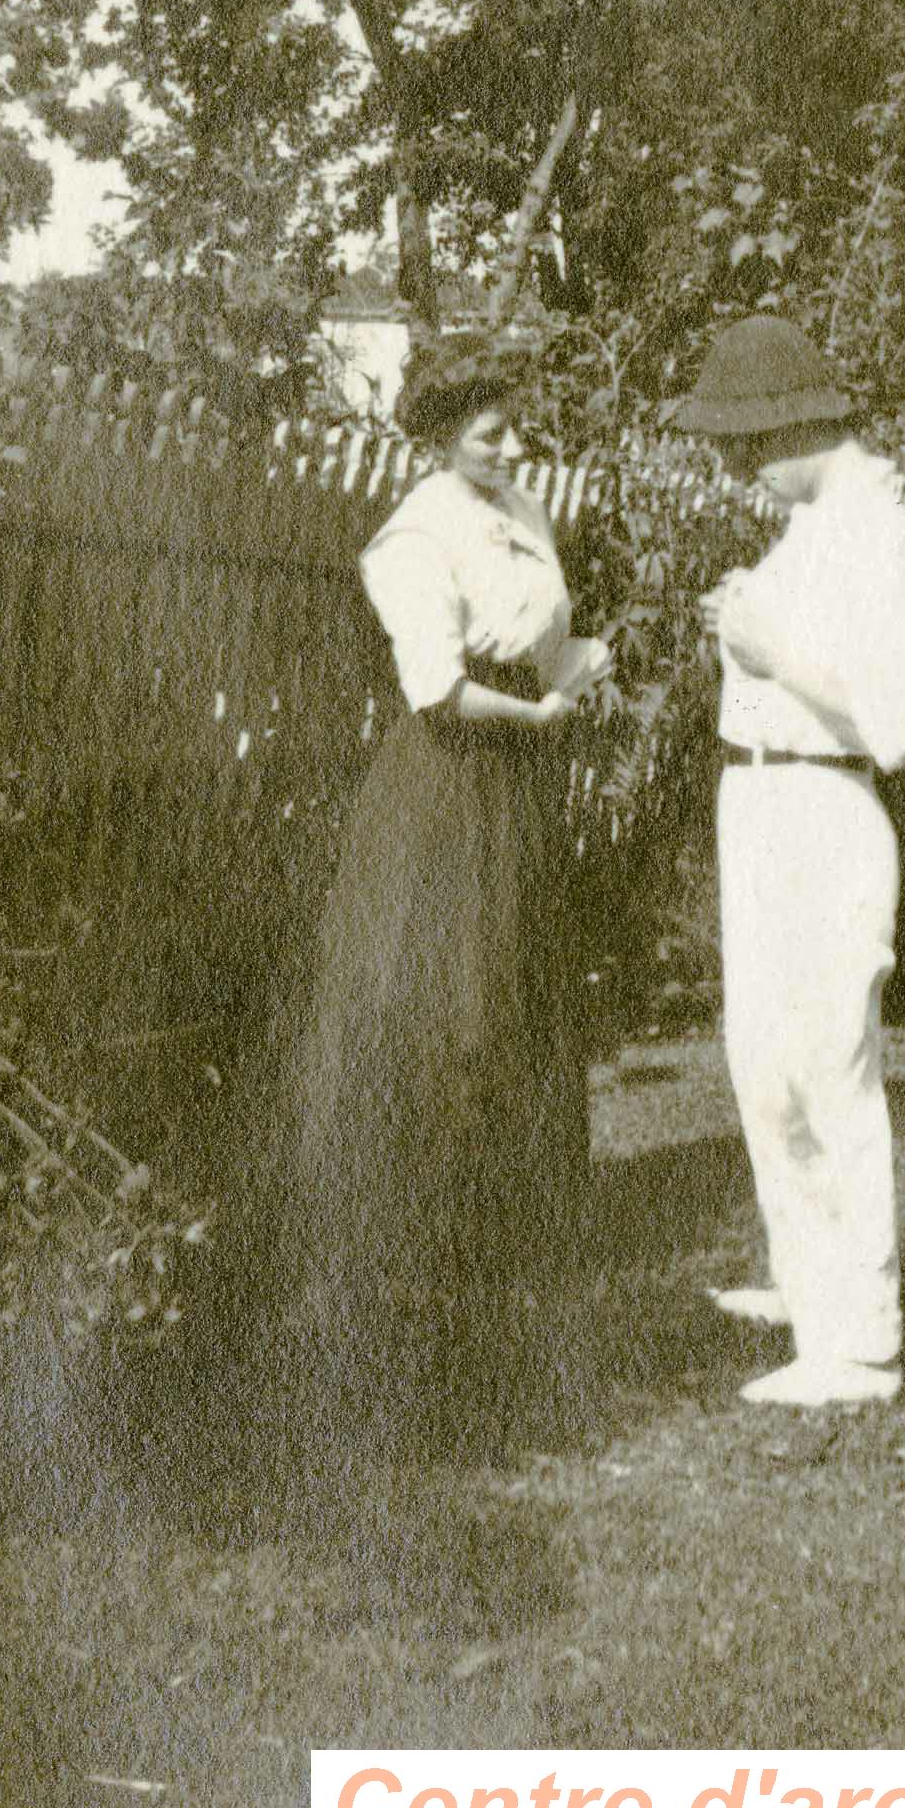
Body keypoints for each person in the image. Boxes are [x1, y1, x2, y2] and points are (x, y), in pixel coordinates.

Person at [282, 343, 611, 1322]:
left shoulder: (523, 511)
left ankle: (513, 1250)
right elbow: (435, 690)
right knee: (445, 1003)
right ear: (436, 440)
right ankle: (406, 1259)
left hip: (518, 780)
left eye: (512, 428)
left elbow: (547, 642)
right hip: (445, 779)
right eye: (487, 435)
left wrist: (579, 672)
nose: (510, 447)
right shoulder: (412, 539)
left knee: (517, 988)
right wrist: (539, 717)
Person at [665, 315, 905, 1408]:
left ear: (790, 425)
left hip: (824, 812)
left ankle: (861, 1344)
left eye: (741, 444)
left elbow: (893, 719)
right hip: (765, 799)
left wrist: (774, 649)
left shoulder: (881, 532)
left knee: (827, 1064)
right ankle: (808, 1285)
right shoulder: (821, 521)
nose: (734, 467)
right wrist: (748, 617)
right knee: (763, 1065)